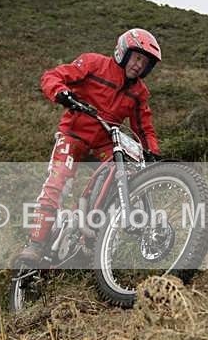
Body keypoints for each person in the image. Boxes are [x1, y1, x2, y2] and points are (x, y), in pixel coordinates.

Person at [14, 29, 163, 267]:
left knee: (118, 178)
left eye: (145, 63)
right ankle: (36, 244)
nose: (139, 65)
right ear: (124, 52)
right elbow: (53, 75)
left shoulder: (139, 92)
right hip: (73, 135)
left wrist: (152, 151)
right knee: (58, 181)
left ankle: (89, 239)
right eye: (136, 58)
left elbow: (144, 127)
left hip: (105, 143)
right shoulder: (94, 63)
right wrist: (61, 93)